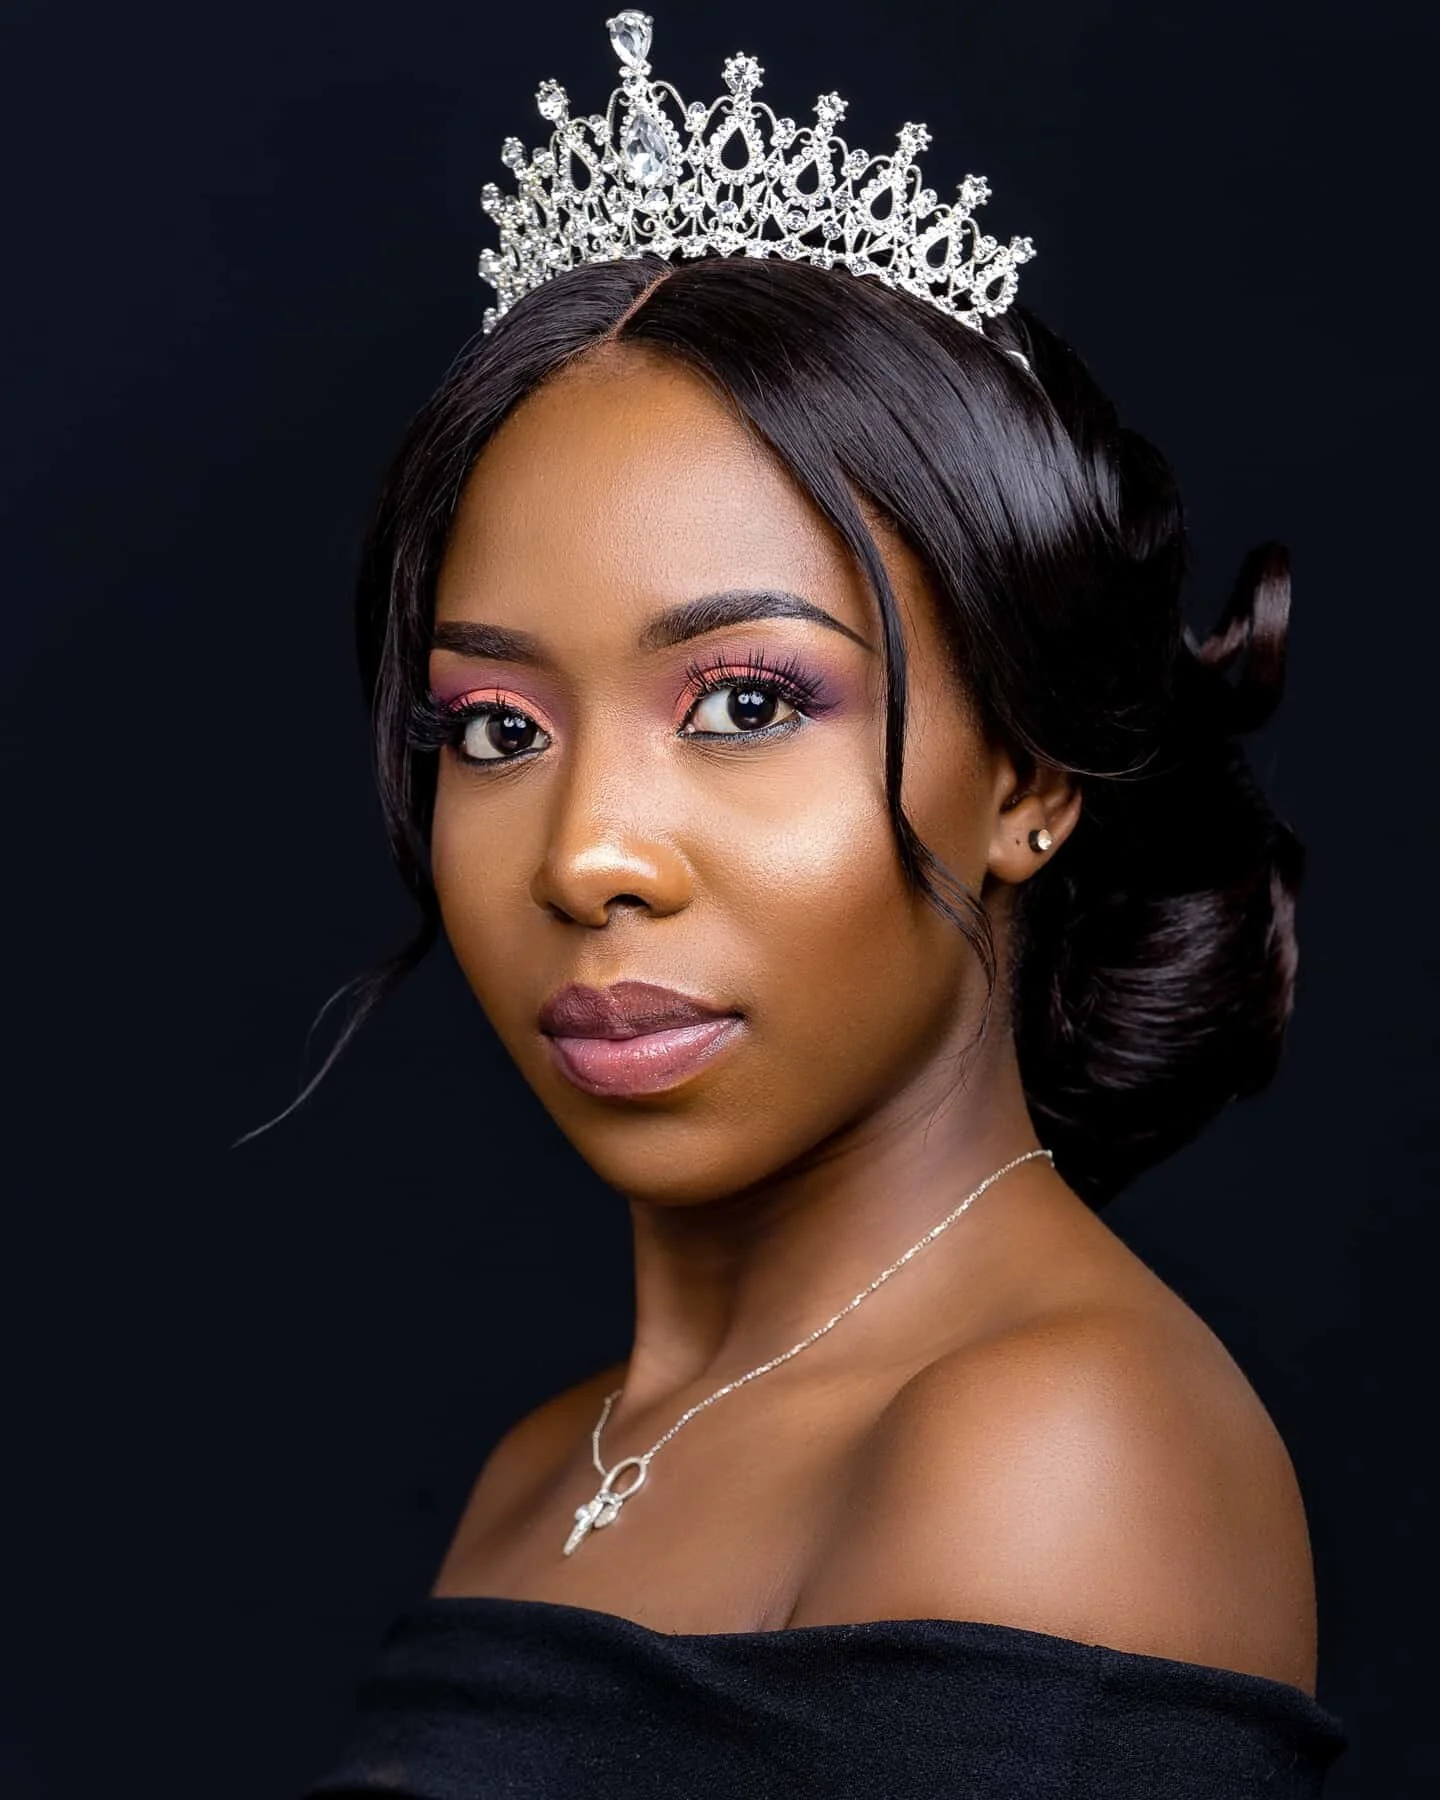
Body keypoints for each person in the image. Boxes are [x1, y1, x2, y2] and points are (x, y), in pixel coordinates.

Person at [295, 12, 1346, 1795]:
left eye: (748, 703)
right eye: (494, 724)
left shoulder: (1055, 1447)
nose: (585, 856)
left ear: (1028, 775)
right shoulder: (549, 1468)